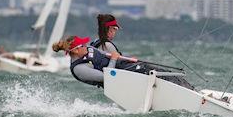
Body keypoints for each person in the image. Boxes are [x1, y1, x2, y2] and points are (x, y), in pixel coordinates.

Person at [53, 34, 194, 90]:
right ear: (76, 51)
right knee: (150, 73)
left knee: (154, 68)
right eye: (82, 45)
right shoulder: (79, 69)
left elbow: (104, 54)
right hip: (119, 80)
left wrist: (123, 58)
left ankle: (189, 89)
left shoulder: (87, 49)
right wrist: (114, 60)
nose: (85, 46)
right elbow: (108, 77)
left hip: (123, 67)